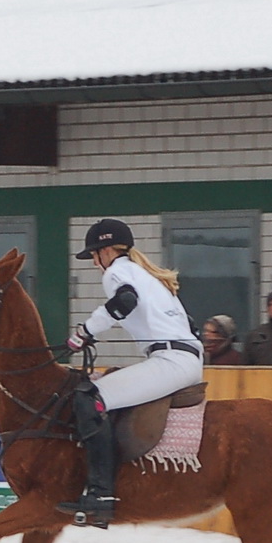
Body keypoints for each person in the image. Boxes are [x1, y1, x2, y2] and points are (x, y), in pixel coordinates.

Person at [58, 218, 204, 526]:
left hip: (170, 360)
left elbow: (125, 301)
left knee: (90, 398)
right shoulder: (147, 275)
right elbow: (190, 324)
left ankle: (101, 495)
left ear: (106, 251)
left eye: (95, 255)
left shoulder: (118, 272)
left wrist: (83, 333)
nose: (95, 263)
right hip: (183, 357)